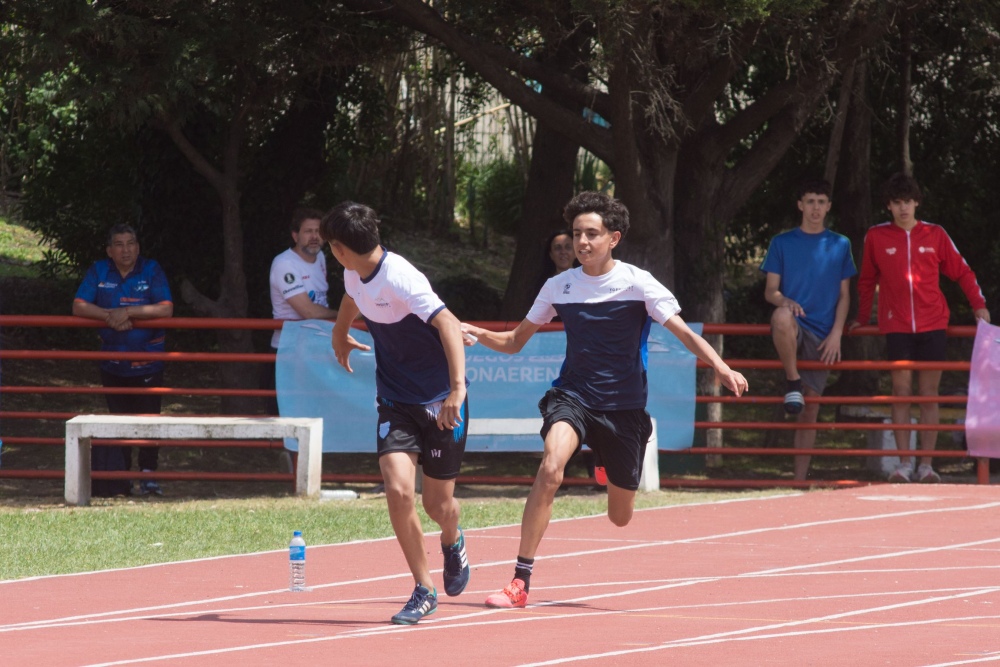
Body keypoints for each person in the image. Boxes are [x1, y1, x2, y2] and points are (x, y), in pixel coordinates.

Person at [462, 191, 748, 609]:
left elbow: (684, 333)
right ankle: (519, 581)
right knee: (550, 467)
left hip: (624, 408)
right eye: (577, 233)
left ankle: (602, 459)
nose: (581, 242)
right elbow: (513, 341)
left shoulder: (637, 282)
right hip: (574, 395)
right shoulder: (558, 286)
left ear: (613, 238)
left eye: (592, 234)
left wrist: (721, 368)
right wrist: (474, 332)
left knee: (620, 516)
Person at [320, 201, 471, 625]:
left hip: (441, 401)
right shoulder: (354, 273)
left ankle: (453, 537)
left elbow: (449, 324)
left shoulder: (401, 277)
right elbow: (353, 297)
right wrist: (340, 332)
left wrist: (456, 391)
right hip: (395, 401)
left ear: (338, 248)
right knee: (398, 488)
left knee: (438, 505)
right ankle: (424, 589)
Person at [849, 172, 990, 483]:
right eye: (897, 203)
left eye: (908, 202)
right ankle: (903, 464)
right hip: (896, 325)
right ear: (889, 206)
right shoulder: (876, 236)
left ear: (917, 203)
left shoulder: (935, 234)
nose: (903, 208)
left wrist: (978, 304)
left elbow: (963, 272)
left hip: (932, 323)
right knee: (900, 393)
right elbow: (866, 280)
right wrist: (862, 316)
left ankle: (926, 465)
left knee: (928, 394)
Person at [760, 179, 856, 480]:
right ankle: (792, 380)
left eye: (821, 202)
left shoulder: (840, 244)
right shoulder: (782, 242)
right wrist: (786, 300)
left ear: (828, 206)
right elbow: (771, 291)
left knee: (810, 409)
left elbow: (845, 295)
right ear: (801, 205)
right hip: (793, 325)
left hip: (824, 332)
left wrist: (837, 332)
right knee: (780, 316)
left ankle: (799, 482)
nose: (816, 207)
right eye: (810, 201)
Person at [73, 224, 174, 497]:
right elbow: (79, 305)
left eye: (131, 243)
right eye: (119, 244)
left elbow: (165, 309)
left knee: (149, 420)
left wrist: (128, 311)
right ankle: (123, 477)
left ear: (138, 247)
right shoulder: (99, 270)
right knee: (118, 419)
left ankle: (149, 476)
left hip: (148, 362)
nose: (126, 249)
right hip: (112, 361)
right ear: (109, 250)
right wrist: (110, 316)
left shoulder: (151, 269)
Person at [265, 207, 339, 416]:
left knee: (314, 408)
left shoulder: (321, 258)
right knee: (290, 410)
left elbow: (319, 303)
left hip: (317, 346)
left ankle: (306, 449)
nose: (315, 237)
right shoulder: (284, 264)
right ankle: (288, 449)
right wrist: (344, 314)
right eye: (308, 231)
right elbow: (308, 310)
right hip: (290, 349)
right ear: (295, 235)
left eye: (318, 231)